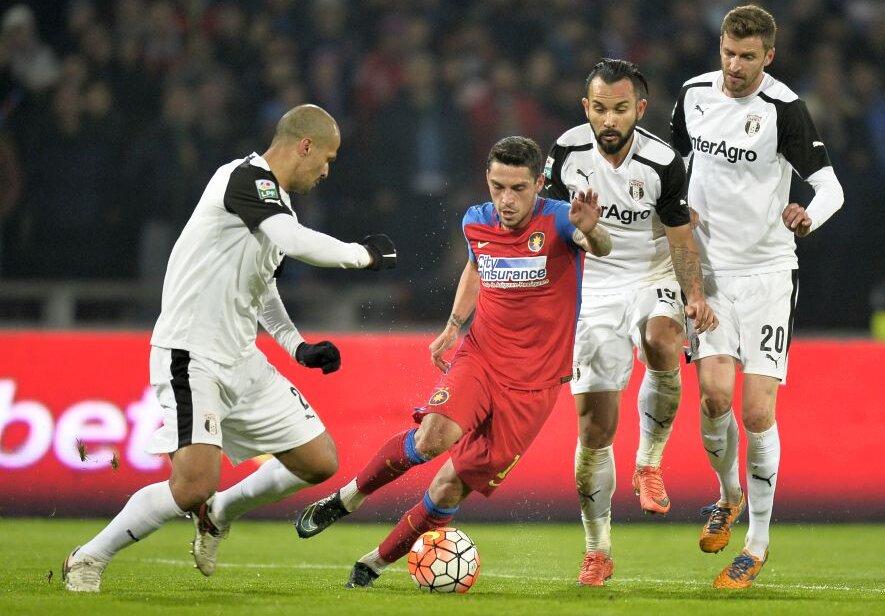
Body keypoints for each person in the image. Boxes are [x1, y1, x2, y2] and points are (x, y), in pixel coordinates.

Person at [62, 104, 397, 592]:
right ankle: (89, 557)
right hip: (191, 355)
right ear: (305, 145)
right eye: (327, 158)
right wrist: (362, 256)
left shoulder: (278, 207)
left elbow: (264, 291)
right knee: (192, 485)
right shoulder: (242, 179)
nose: (327, 171)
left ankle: (219, 513)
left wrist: (297, 347)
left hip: (242, 359)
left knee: (319, 461)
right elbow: (293, 239)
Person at [294, 135, 612, 588]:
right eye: (498, 187)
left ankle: (374, 563)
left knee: (449, 487)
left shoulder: (561, 219)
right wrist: (453, 325)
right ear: (487, 180)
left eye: (518, 188)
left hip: (535, 385)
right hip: (481, 357)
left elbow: (601, 246)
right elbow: (476, 267)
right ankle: (347, 498)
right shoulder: (475, 221)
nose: (506, 199)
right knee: (431, 438)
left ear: (539, 184)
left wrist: (593, 230)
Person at [670, 5, 844, 589]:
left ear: (769, 56)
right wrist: (678, 211)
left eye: (748, 57)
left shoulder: (784, 109)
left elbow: (830, 188)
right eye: (728, 53)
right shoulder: (693, 95)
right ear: (719, 47)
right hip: (709, 273)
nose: (735, 66)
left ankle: (757, 545)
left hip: (768, 273)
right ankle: (729, 494)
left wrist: (808, 216)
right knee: (714, 397)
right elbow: (674, 168)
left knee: (757, 411)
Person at [542, 58, 717, 586]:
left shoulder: (662, 161)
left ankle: (648, 462)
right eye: (599, 109)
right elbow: (547, 228)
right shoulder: (566, 153)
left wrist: (694, 296)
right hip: (592, 287)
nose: (609, 120)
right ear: (586, 107)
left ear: (639, 109)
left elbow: (681, 236)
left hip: (650, 274)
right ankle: (598, 550)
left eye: (620, 109)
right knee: (594, 429)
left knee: (661, 339)